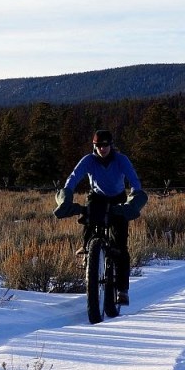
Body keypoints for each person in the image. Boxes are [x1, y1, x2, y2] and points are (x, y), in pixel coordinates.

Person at [53, 129, 146, 305]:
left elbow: (134, 181)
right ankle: (87, 250)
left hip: (118, 199)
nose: (102, 149)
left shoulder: (121, 160)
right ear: (94, 146)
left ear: (111, 145)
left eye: (105, 145)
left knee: (120, 245)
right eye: (98, 146)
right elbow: (73, 178)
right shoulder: (89, 160)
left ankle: (122, 290)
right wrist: (66, 196)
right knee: (89, 218)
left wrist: (134, 199)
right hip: (97, 197)